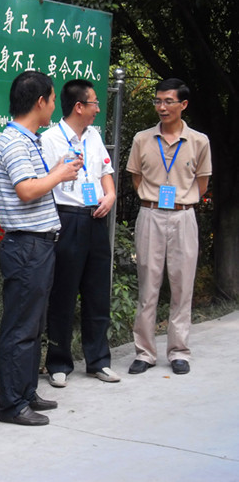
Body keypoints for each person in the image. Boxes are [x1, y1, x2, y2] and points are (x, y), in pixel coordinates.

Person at [0, 70, 81, 426]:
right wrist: (59, 175)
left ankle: (26, 392)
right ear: (40, 101)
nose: (54, 107)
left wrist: (56, 169)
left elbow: (33, 182)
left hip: (37, 245)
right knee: (20, 327)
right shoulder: (15, 141)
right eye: (53, 100)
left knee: (32, 325)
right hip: (26, 245)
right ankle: (12, 405)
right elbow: (26, 190)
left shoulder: (27, 140)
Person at [126, 78, 212, 376]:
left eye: (168, 101)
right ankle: (145, 352)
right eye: (158, 101)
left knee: (182, 286)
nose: (162, 107)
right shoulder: (142, 139)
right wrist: (153, 198)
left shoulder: (199, 141)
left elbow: (202, 184)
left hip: (183, 216)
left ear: (183, 104)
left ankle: (179, 352)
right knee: (148, 286)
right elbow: (136, 178)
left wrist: (181, 200)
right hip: (150, 214)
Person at [41, 79, 121, 388]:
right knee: (63, 293)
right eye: (94, 103)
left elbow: (105, 173)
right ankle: (58, 363)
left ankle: (98, 360)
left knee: (98, 293)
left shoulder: (94, 137)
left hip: (96, 218)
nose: (98, 109)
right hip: (67, 218)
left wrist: (110, 196)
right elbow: (43, 181)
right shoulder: (49, 139)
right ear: (78, 107)